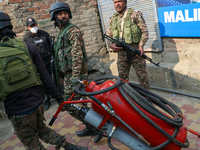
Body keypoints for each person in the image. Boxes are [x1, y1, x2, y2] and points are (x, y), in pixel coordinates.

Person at [0, 11, 87, 150]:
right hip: (37, 103)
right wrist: (59, 98)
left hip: (18, 109)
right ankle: (70, 146)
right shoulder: (26, 46)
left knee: (32, 143)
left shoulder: (40, 37)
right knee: (42, 129)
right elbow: (46, 76)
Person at [49, 2, 102, 142]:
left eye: (65, 13)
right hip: (69, 75)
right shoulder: (61, 32)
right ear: (54, 17)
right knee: (79, 105)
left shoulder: (72, 31)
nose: (63, 16)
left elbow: (77, 55)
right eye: (60, 14)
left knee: (70, 105)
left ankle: (97, 126)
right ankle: (92, 126)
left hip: (76, 75)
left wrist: (74, 77)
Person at [107, 0, 150, 90]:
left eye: (119, 1)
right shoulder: (113, 18)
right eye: (115, 2)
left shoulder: (135, 15)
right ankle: (125, 98)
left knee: (143, 79)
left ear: (125, 2)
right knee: (122, 79)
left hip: (135, 52)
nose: (117, 4)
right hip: (121, 53)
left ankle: (147, 100)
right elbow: (109, 35)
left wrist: (141, 46)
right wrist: (111, 45)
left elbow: (144, 32)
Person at [23, 17, 52, 111]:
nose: (33, 27)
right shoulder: (26, 38)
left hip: (47, 63)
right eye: (31, 26)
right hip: (36, 66)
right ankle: (45, 101)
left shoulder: (44, 34)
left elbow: (51, 47)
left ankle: (50, 98)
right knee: (40, 84)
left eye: (34, 25)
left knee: (48, 81)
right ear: (28, 27)